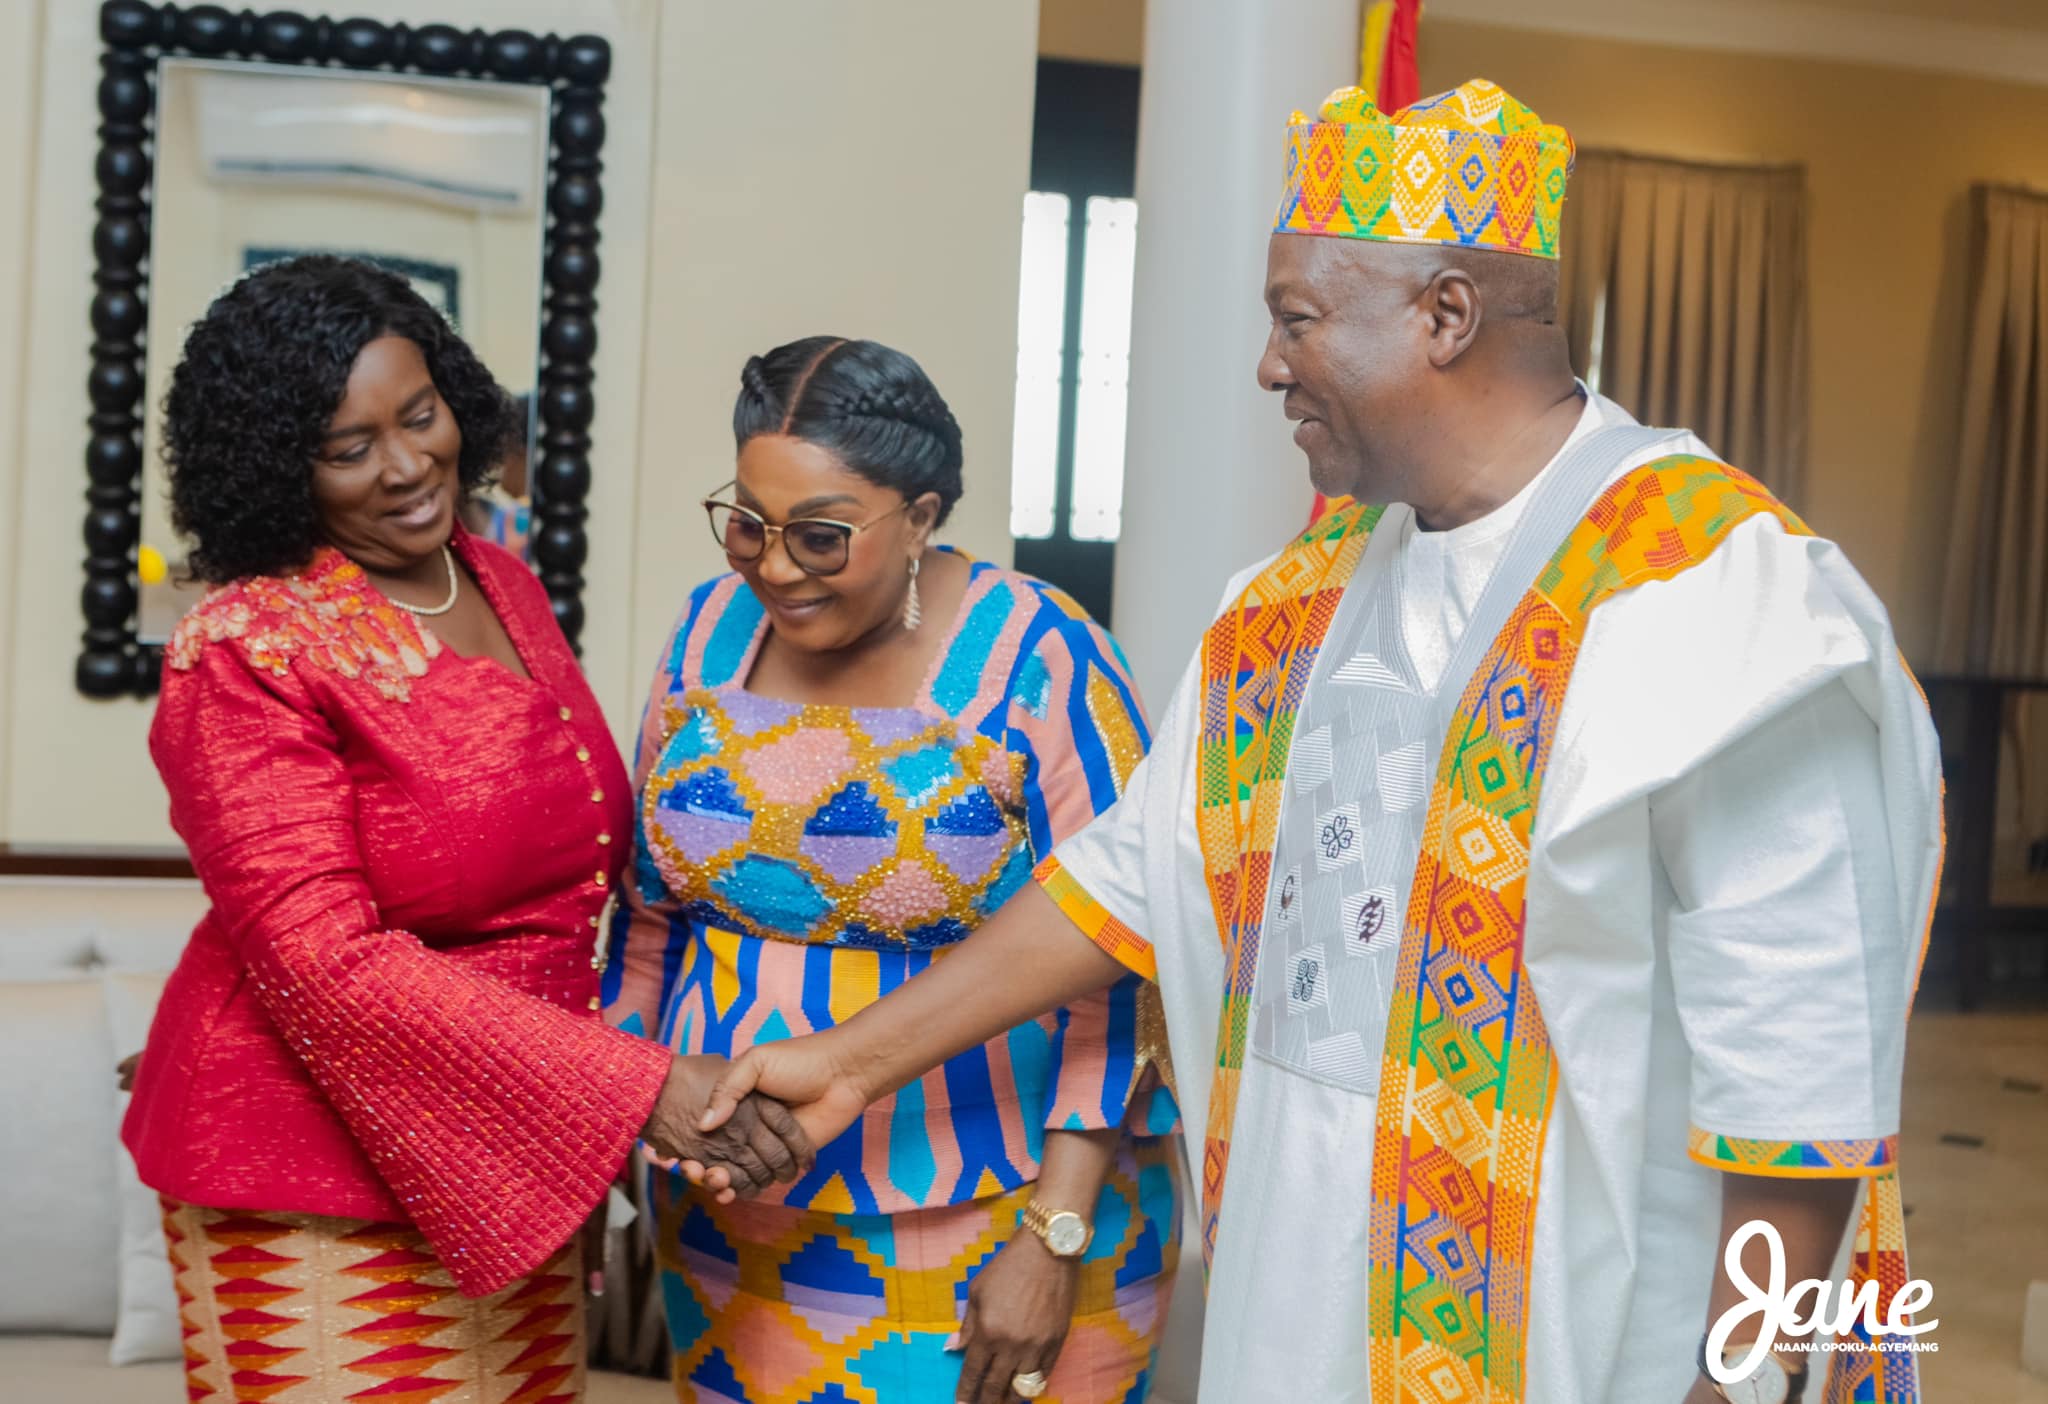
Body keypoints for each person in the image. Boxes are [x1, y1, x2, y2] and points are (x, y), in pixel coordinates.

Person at [693, 84, 1944, 1404]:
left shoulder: (1713, 601)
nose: (1268, 365)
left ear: (1443, 316)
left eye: (1296, 320)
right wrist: (844, 1064)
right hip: (1296, 1315)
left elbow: (1795, 1080)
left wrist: (1739, 1384)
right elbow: (1125, 882)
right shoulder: (1294, 603)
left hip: (1593, 1344)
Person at [124, 255, 809, 1404]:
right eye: (347, 448)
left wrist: (592, 1102)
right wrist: (633, 1087)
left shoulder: (494, 577)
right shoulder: (246, 647)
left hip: (514, 1141)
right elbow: (318, 960)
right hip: (306, 1175)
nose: (406, 466)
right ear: (275, 465)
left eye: (420, 415)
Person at [604, 336, 1181, 1404]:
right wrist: (616, 1111)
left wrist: (1054, 1234)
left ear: (919, 518)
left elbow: (1125, 952)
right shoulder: (705, 632)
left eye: (822, 536)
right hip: (727, 1207)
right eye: (748, 524)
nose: (776, 567)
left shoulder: (1041, 653)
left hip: (998, 1208)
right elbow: (646, 917)